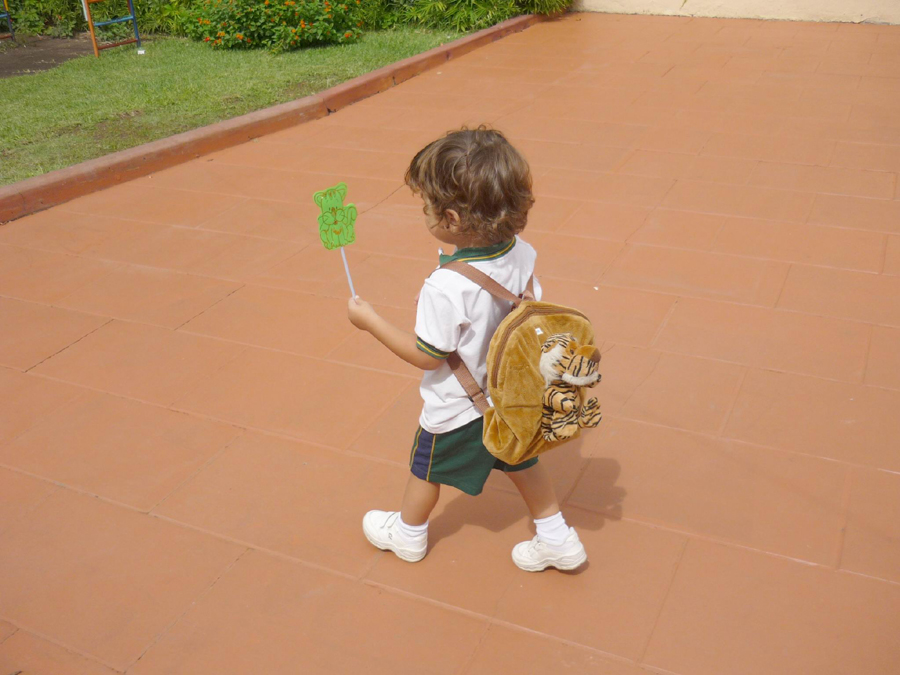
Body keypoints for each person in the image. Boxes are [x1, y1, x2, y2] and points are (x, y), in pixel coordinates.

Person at [347, 127, 587, 572]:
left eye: (427, 207)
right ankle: (557, 537)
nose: (425, 213)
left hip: (459, 407)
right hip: (510, 397)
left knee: (426, 468)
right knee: (521, 461)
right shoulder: (521, 252)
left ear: (452, 221)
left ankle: (408, 534)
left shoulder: (445, 286)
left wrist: (371, 323)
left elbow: (428, 356)